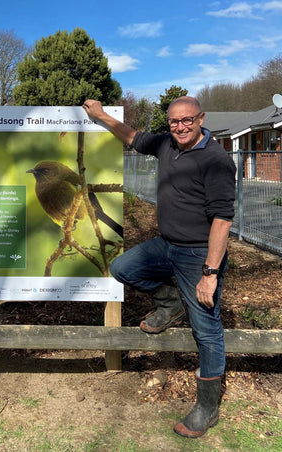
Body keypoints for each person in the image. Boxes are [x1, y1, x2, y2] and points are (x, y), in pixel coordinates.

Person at [82, 97, 236, 438]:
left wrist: (209, 274)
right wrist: (102, 115)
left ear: (201, 119)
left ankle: (207, 408)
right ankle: (170, 302)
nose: (180, 127)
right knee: (123, 267)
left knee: (207, 330)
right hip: (166, 245)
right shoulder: (167, 144)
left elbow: (223, 220)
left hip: (198, 256)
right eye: (174, 122)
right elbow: (133, 137)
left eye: (187, 121)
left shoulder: (216, 160)